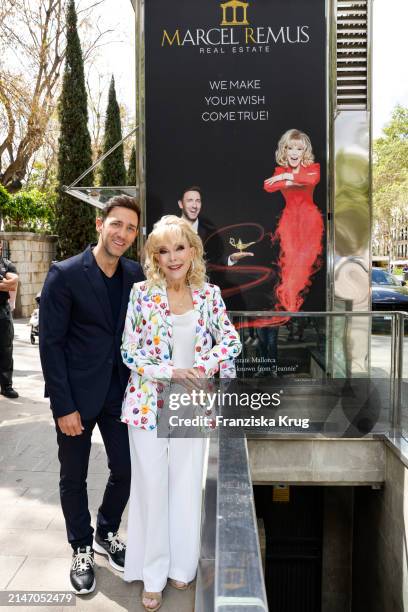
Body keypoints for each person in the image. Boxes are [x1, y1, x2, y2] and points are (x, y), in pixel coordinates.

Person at [121, 215, 242, 611]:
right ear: (155, 256)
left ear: (192, 250)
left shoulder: (209, 294)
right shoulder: (142, 293)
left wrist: (203, 366)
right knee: (152, 489)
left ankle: (182, 567)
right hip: (148, 404)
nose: (173, 257)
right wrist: (169, 371)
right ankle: (152, 575)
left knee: (186, 487)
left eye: (179, 247)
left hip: (191, 402)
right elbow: (129, 351)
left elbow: (231, 342)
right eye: (163, 250)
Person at [39, 195, 144, 595]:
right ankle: (81, 546)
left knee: (127, 470)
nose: (122, 233)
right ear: (100, 225)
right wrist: (63, 406)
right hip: (76, 398)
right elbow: (51, 344)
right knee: (73, 477)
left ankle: (105, 531)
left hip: (120, 394)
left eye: (130, 228)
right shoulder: (64, 274)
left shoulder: (135, 275)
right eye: (116, 224)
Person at [263, 128, 324, 319]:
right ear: (285, 150)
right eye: (291, 148)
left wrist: (286, 178)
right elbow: (268, 186)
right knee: (289, 264)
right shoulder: (280, 170)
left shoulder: (312, 168)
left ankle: (295, 311)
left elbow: (312, 179)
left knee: (304, 265)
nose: (295, 153)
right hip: (289, 222)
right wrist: (289, 178)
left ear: (304, 151)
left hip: (309, 221)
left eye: (299, 149)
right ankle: (289, 308)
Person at [0, 239, 19, 399]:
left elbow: (13, 284)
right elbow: (7, 284)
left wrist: (9, 283)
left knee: (6, 348)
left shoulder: (7, 265)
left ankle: (6, 386)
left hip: (2, 310)